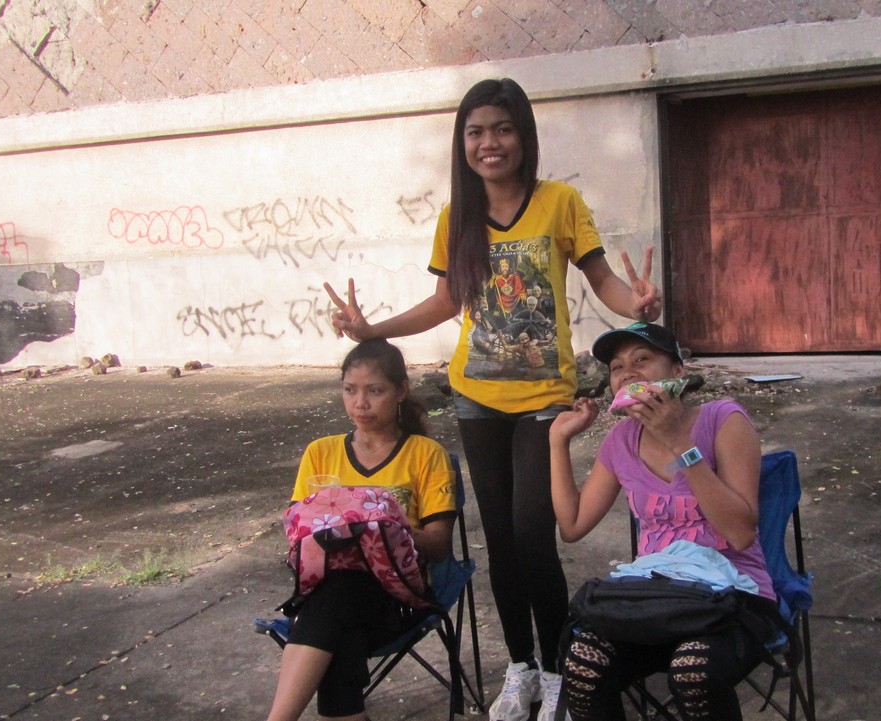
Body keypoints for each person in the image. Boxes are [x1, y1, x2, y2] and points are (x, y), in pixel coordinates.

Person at [325, 77, 662, 721]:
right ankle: (522, 667)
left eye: (503, 129)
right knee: (502, 542)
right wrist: (372, 330)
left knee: (534, 535)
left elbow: (601, 279)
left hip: (544, 400)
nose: (490, 143)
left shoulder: (559, 202)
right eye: (476, 131)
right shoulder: (456, 217)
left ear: (524, 136)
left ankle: (559, 671)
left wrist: (637, 307)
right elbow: (445, 302)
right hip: (476, 398)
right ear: (463, 142)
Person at [548, 322, 782, 721]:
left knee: (694, 671)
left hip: (733, 595)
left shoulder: (724, 419)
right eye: (617, 367)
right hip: (657, 597)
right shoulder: (620, 441)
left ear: (678, 372)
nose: (628, 373)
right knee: (583, 664)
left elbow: (741, 534)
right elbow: (572, 526)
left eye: (642, 359)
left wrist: (678, 442)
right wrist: (558, 442)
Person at [264, 339, 458, 721]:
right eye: (350, 390)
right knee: (338, 608)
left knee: (334, 604)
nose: (360, 403)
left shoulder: (426, 454)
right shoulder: (320, 453)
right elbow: (296, 535)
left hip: (397, 597)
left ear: (401, 391)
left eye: (375, 391)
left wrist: (381, 527)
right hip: (329, 592)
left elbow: (439, 546)